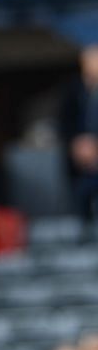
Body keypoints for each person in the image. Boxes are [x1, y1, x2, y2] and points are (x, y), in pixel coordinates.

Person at [57, 44, 98, 224]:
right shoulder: (73, 88)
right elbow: (64, 120)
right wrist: (78, 144)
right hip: (79, 154)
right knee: (82, 194)